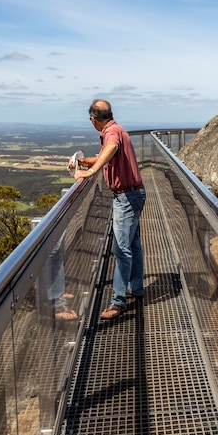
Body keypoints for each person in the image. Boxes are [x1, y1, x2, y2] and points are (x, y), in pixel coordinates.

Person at [72, 99, 145, 320]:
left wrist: (91, 171)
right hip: (134, 193)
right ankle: (136, 287)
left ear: (94, 120)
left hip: (126, 196)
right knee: (133, 244)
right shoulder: (117, 129)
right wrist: (84, 163)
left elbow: (111, 148)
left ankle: (118, 301)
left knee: (121, 249)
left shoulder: (112, 133)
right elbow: (109, 154)